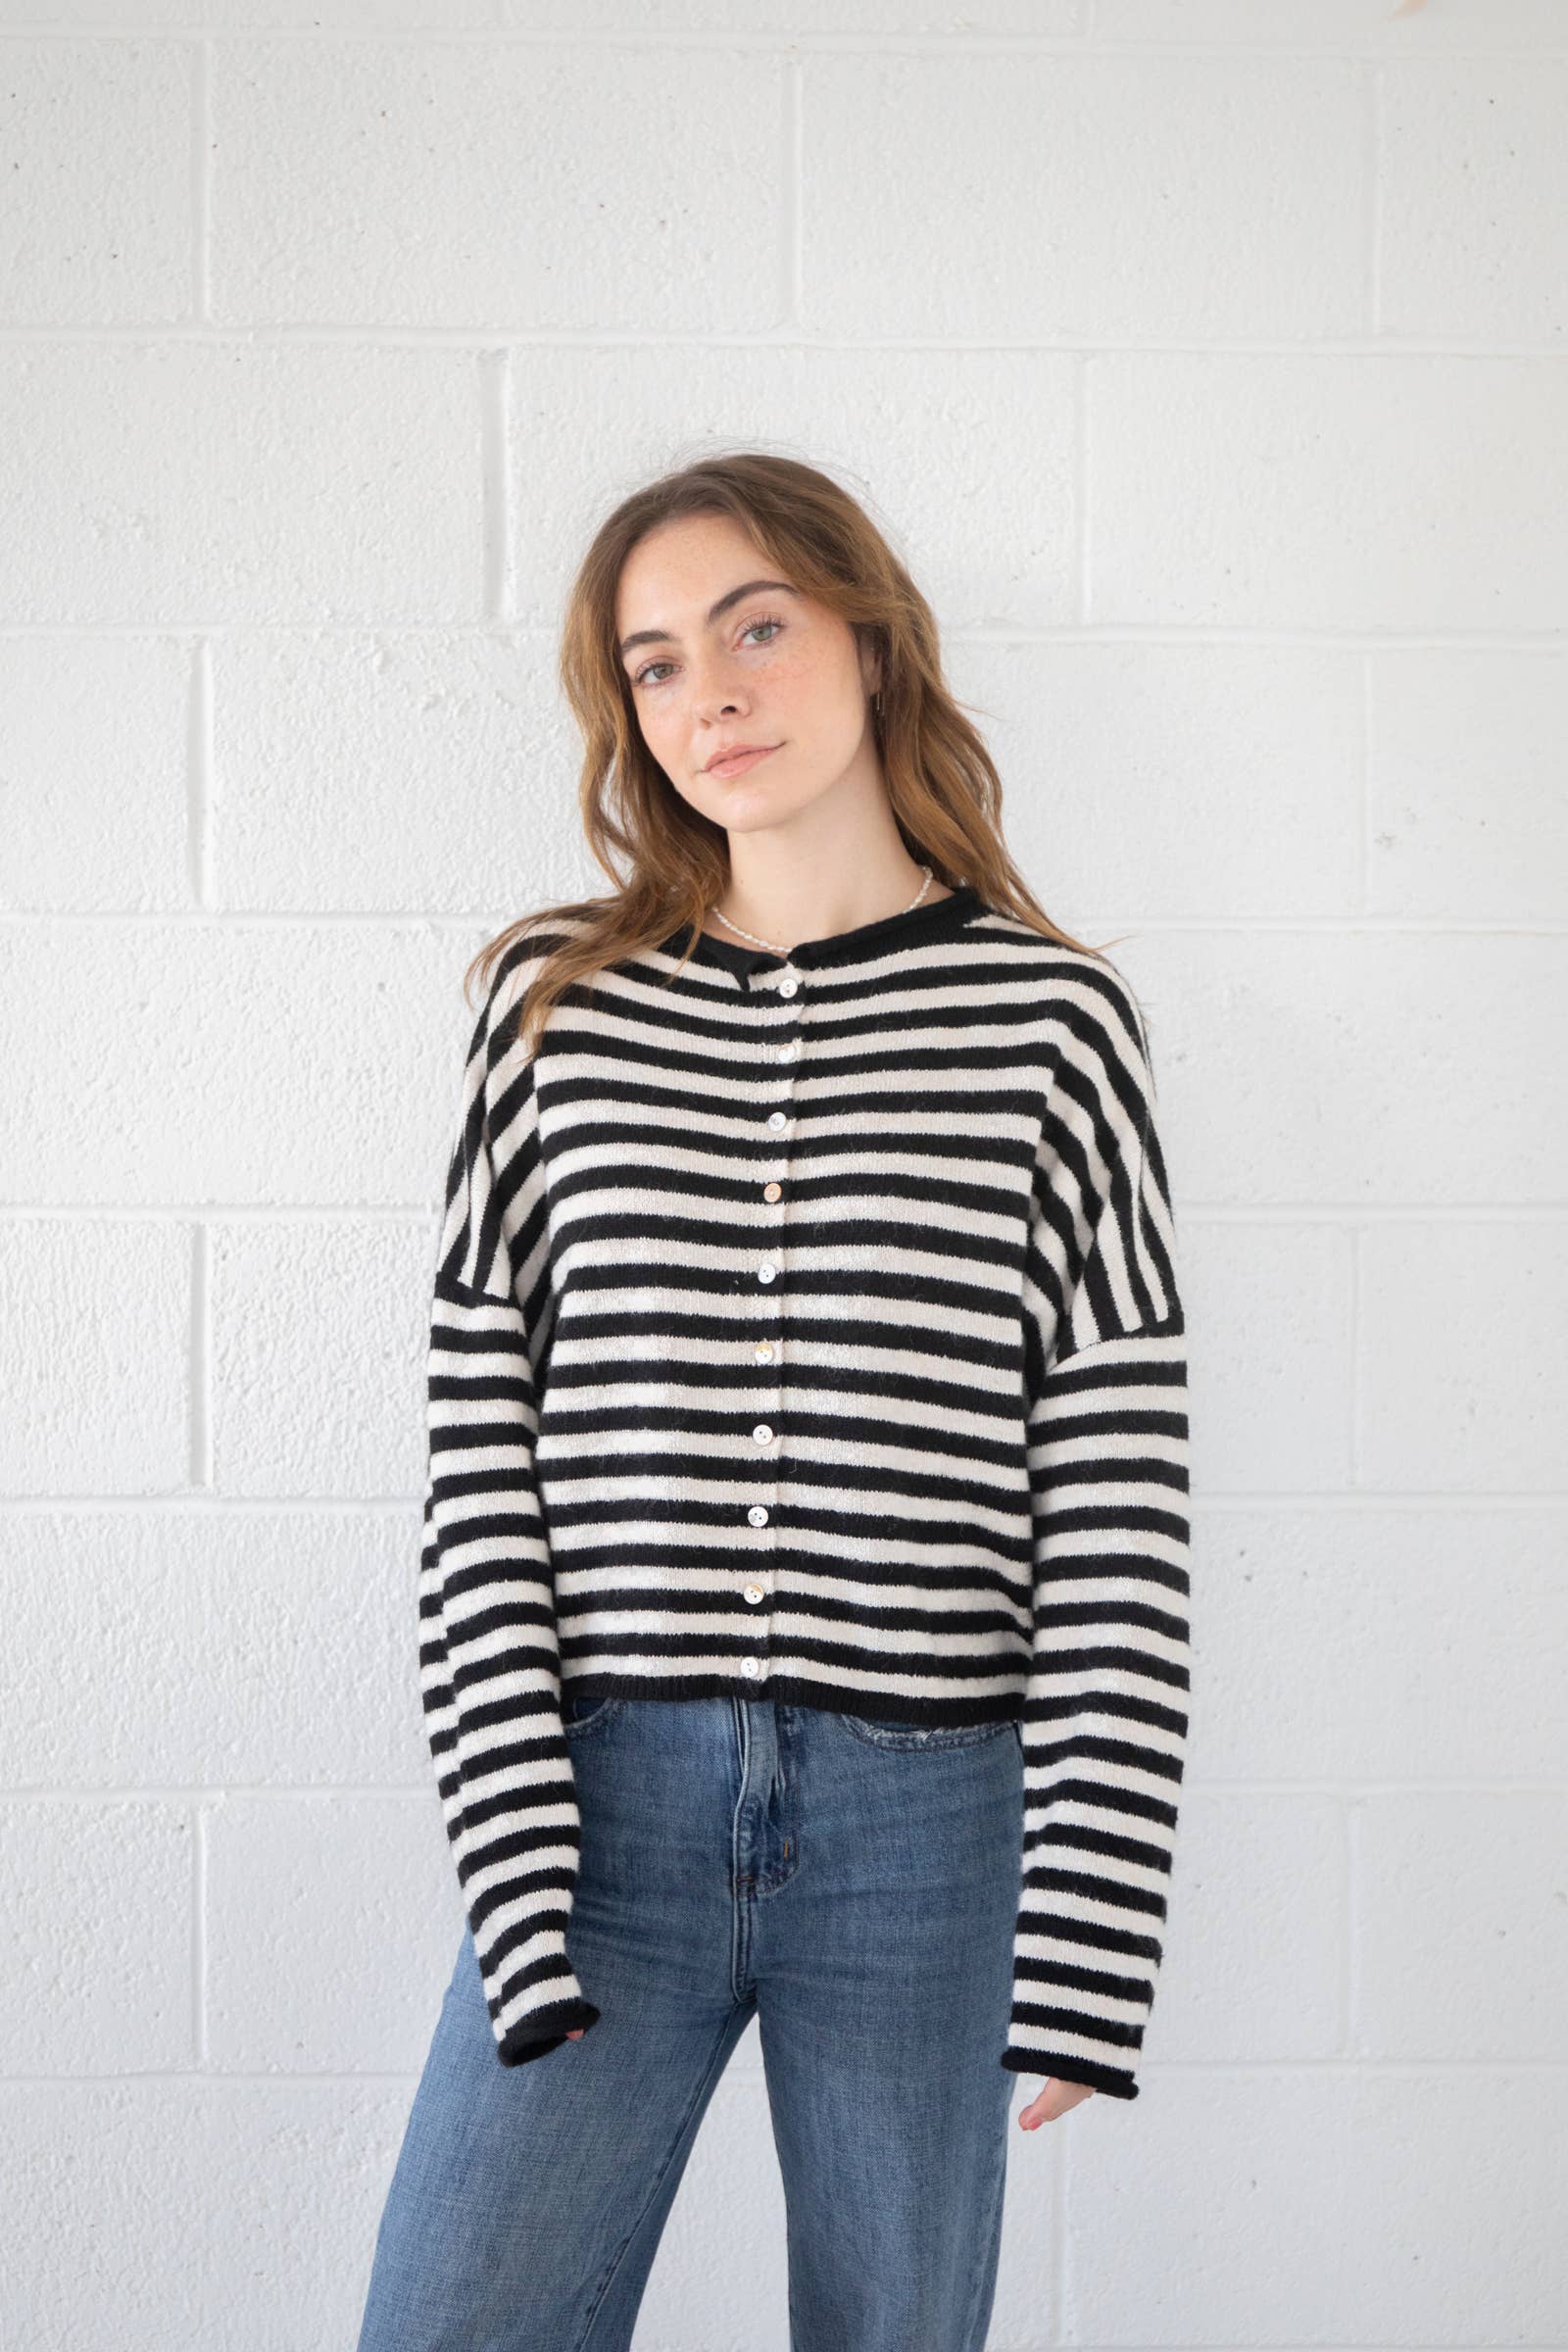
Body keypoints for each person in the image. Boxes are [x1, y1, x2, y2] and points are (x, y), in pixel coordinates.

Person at [356, 451, 1192, 2352]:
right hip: (601, 1802)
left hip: (928, 1817)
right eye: (653, 665)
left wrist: (1086, 1931)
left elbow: (1116, 1478)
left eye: (755, 629)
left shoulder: (1051, 1026)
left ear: (870, 645)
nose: (709, 696)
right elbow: (478, 1450)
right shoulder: (554, 1010)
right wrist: (511, 1848)